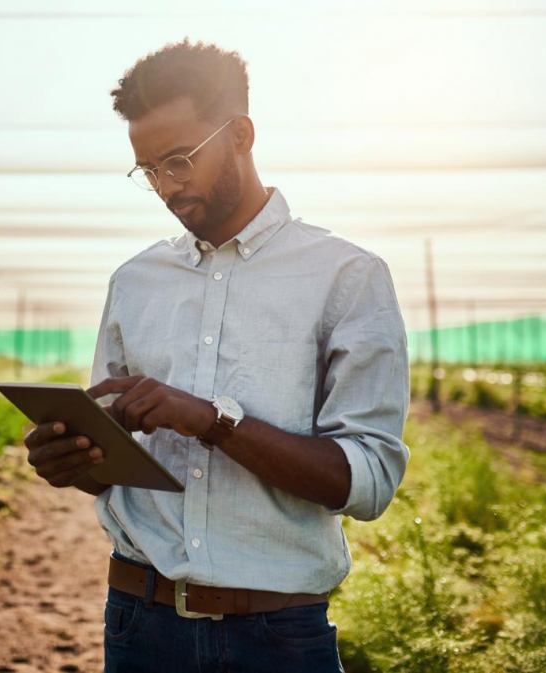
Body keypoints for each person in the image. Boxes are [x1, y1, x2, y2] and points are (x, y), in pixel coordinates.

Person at [22, 39, 410, 672]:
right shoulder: (134, 282)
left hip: (278, 639)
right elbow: (112, 465)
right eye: (147, 170)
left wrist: (211, 421)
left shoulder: (347, 277)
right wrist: (72, 460)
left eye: (178, 161)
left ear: (240, 134)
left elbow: (367, 482)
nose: (165, 188)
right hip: (137, 624)